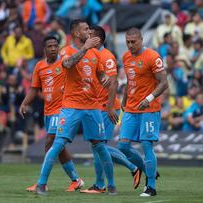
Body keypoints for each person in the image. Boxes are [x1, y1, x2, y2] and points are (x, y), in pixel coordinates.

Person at [35, 19, 117, 195]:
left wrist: (106, 81)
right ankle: (41, 183)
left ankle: (111, 185)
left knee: (100, 146)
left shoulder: (95, 53)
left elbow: (101, 75)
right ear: (77, 33)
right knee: (58, 143)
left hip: (93, 107)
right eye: (86, 29)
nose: (89, 32)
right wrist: (85, 47)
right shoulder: (66, 51)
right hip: (71, 106)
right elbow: (68, 64)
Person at [80, 25, 141, 194]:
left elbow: (114, 82)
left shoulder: (106, 57)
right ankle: (102, 183)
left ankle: (130, 169)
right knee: (97, 147)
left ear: (97, 39)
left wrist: (108, 107)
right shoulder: (90, 54)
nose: (87, 36)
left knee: (99, 146)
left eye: (90, 34)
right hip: (95, 107)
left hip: (106, 108)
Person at [20, 36, 83, 192]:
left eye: (56, 46)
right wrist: (25, 103)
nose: (53, 48)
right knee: (59, 148)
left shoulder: (64, 63)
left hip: (62, 110)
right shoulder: (39, 67)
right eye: (50, 46)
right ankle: (76, 180)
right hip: (48, 111)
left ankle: (42, 182)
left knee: (50, 141)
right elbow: (35, 88)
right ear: (45, 49)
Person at [118, 28, 168, 197]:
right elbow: (131, 81)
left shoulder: (153, 57)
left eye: (134, 42)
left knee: (146, 145)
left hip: (149, 108)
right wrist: (124, 99)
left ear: (141, 40)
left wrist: (149, 98)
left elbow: (164, 83)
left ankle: (151, 187)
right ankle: (148, 170)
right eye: (128, 42)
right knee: (123, 146)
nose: (130, 45)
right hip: (131, 107)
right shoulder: (125, 57)